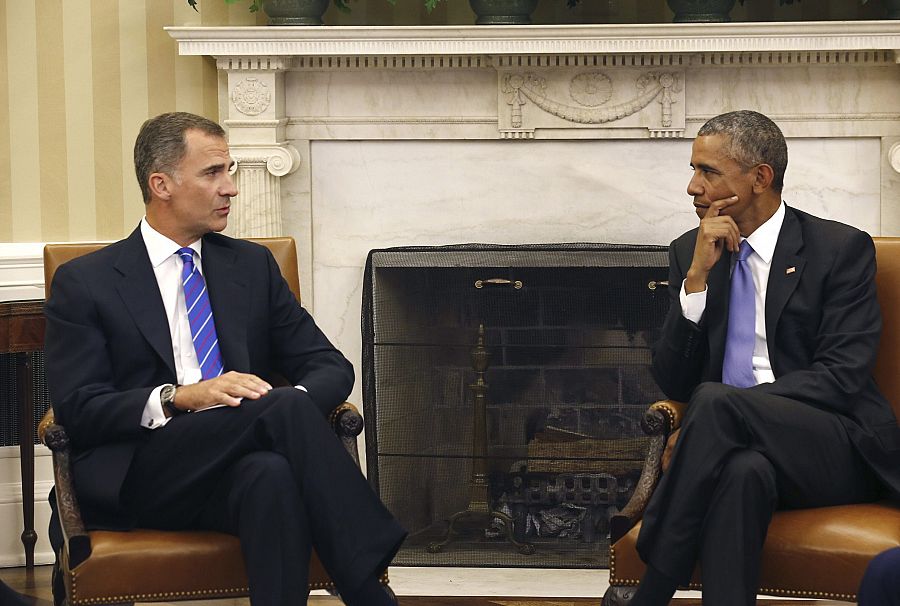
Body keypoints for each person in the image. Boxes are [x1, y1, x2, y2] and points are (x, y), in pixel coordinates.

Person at [43, 112, 405, 606]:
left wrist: (283, 409)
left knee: (271, 476)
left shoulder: (251, 267)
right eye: (213, 173)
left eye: (229, 171)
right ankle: (367, 584)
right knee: (278, 413)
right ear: (161, 184)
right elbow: (79, 408)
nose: (230, 188)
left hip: (236, 464)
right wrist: (180, 398)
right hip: (144, 470)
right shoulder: (87, 282)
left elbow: (329, 366)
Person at [630, 110, 900, 605]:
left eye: (708, 171)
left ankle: (654, 586)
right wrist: (695, 284)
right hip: (733, 449)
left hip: (833, 445)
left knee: (715, 402)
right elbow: (672, 379)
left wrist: (728, 413)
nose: (693, 187)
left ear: (760, 178)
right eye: (693, 170)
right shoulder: (691, 252)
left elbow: (841, 377)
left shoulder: (838, 249)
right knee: (741, 473)